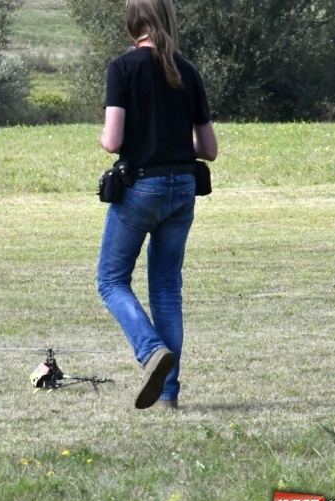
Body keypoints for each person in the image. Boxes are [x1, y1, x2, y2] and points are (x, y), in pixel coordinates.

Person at [97, 0, 218, 409]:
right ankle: (168, 394)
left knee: (111, 281)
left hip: (141, 189)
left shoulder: (123, 68)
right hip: (183, 189)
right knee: (166, 290)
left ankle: (150, 352)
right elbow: (210, 149)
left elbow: (112, 141)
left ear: (134, 23)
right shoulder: (188, 71)